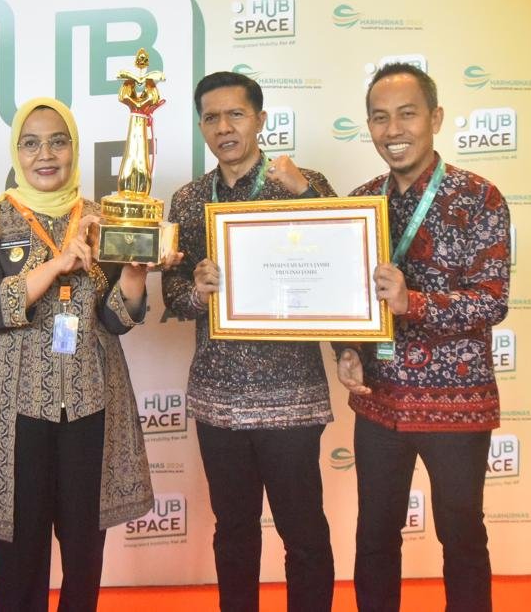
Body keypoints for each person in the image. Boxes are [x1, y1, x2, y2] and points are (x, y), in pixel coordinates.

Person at [0, 97, 157, 612]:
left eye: (58, 141)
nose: (45, 154)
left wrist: (134, 274)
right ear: (16, 151)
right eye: (31, 143)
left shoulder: (102, 218)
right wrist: (57, 264)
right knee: (20, 548)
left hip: (91, 402)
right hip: (14, 409)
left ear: (74, 149)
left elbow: (115, 319)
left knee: (85, 547)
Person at [337, 62, 510, 612]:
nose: (393, 130)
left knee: (461, 538)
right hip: (379, 403)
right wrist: (347, 350)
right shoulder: (360, 202)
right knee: (374, 536)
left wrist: (412, 302)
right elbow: (347, 300)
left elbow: (492, 299)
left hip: (456, 406)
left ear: (435, 118)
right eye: (379, 117)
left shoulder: (479, 197)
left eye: (407, 114)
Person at [161, 71, 336, 612]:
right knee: (234, 531)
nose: (224, 127)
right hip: (219, 398)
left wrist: (306, 195)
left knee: (303, 531)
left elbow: (343, 257)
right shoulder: (189, 199)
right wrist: (197, 291)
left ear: (260, 120)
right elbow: (172, 296)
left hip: (291, 396)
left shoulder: (302, 183)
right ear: (200, 127)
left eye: (235, 114)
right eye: (211, 117)